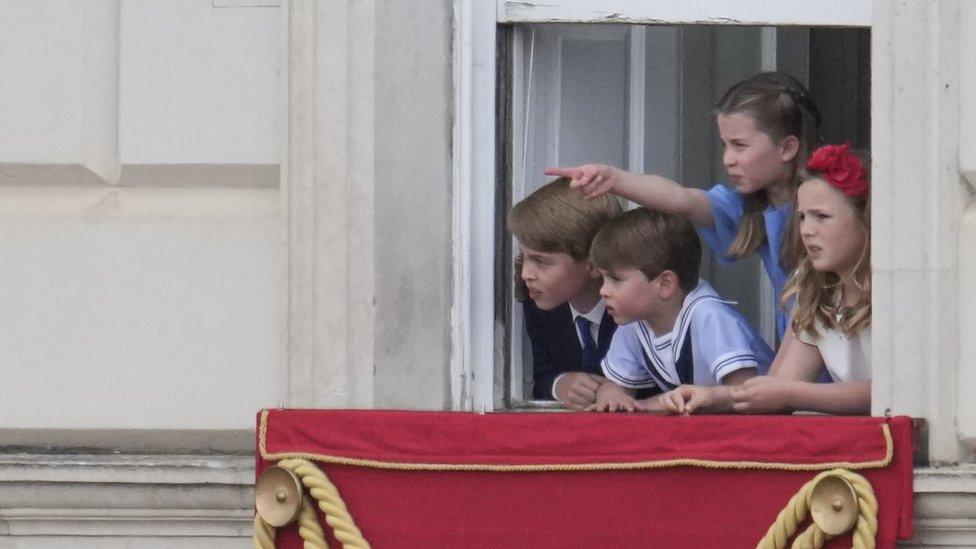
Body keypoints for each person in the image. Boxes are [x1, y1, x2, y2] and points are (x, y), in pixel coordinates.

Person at [547, 72, 821, 339]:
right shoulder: (751, 207)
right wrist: (614, 179)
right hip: (798, 357)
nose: (728, 159)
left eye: (740, 145)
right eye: (725, 145)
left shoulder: (830, 208)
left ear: (786, 148)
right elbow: (682, 200)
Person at [725, 144, 872, 415]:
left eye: (822, 217)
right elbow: (779, 386)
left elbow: (890, 389)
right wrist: (709, 397)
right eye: (802, 217)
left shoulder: (895, 293)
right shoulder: (819, 293)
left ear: (867, 219)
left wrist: (790, 394)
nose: (806, 230)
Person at [584, 207, 774, 413]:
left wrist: (650, 405)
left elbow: (745, 392)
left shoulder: (710, 317)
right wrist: (612, 397)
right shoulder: (633, 323)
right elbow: (615, 385)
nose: (603, 291)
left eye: (615, 279)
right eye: (603, 279)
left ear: (665, 284)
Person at [508, 177, 622, 409]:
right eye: (525, 257)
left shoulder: (635, 310)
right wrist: (560, 385)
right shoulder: (540, 304)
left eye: (541, 261)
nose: (526, 274)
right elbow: (543, 377)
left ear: (593, 265)